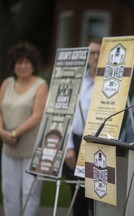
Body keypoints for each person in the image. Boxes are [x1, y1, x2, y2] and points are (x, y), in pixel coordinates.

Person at [0, 41, 48, 216]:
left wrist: (13, 133)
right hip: (8, 147)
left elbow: (37, 115)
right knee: (9, 192)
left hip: (31, 148)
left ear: (33, 64)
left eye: (27, 62)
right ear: (13, 66)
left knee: (30, 193)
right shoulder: (6, 84)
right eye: (19, 62)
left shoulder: (40, 85)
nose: (23, 66)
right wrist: (2, 133)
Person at [64, 39, 102, 216]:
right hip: (76, 142)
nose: (95, 56)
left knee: (97, 197)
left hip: (98, 144)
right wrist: (69, 146)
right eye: (92, 53)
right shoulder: (77, 80)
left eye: (99, 53)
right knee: (77, 196)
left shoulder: (112, 84)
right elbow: (66, 115)